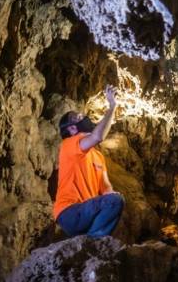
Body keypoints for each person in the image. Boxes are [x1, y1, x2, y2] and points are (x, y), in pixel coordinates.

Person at [53, 85, 125, 238]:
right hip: (69, 212)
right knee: (113, 201)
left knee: (115, 200)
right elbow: (98, 136)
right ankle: (93, 241)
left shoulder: (98, 156)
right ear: (72, 129)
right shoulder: (69, 144)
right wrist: (112, 106)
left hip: (87, 211)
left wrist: (112, 195)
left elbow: (106, 188)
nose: (84, 118)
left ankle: (89, 242)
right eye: (79, 118)